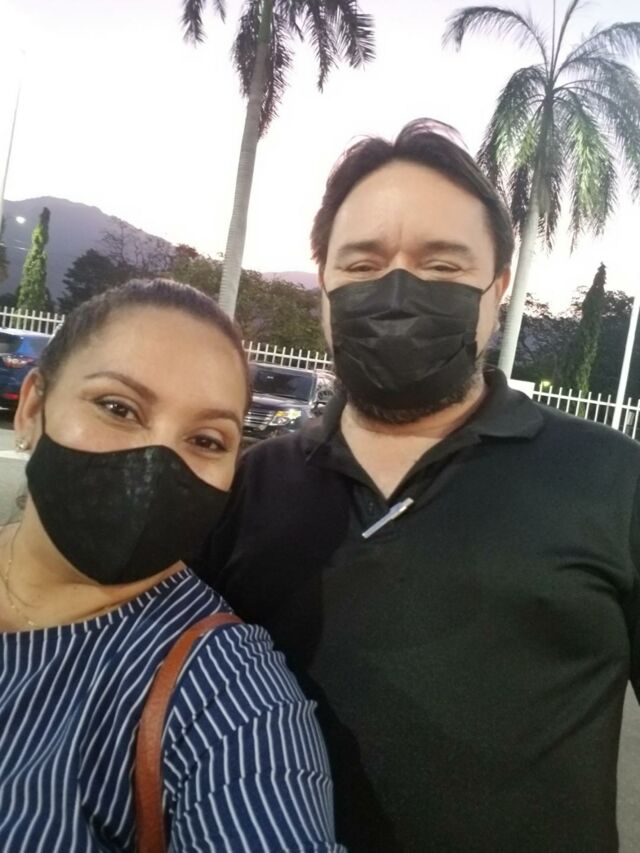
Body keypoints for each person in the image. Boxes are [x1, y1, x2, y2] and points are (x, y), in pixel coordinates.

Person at [197, 119, 640, 853]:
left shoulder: (614, 481)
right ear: (325, 287)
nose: (399, 290)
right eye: (363, 263)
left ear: (498, 290)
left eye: (441, 264)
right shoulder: (246, 486)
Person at [0, 279, 342, 852]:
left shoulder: (228, 699)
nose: (156, 462)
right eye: (118, 408)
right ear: (33, 408)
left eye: (206, 440)